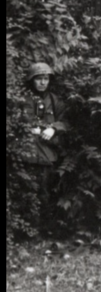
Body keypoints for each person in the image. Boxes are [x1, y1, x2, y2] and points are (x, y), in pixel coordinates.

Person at [16, 63, 69, 231]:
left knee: (47, 193)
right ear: (31, 80)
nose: (42, 82)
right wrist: (33, 128)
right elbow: (17, 122)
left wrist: (54, 128)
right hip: (27, 153)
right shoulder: (22, 99)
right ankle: (28, 231)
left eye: (46, 79)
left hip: (49, 153)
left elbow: (66, 121)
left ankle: (46, 230)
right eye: (39, 79)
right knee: (28, 193)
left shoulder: (54, 100)